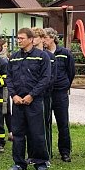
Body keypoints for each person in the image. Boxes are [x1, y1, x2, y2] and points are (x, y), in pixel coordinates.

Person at [6, 28, 51, 170]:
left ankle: (40, 162)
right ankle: (19, 163)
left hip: (34, 102)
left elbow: (45, 79)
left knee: (37, 133)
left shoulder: (42, 57)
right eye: (18, 38)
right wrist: (14, 95)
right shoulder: (14, 57)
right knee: (18, 134)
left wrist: (32, 95)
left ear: (31, 39)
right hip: (18, 102)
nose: (19, 41)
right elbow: (8, 78)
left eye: (22, 38)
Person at [44, 28, 75, 162]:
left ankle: (65, 151)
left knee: (63, 123)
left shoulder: (65, 53)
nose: (43, 40)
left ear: (52, 38)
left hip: (60, 93)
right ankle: (47, 150)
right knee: (45, 122)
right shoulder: (42, 54)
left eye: (45, 37)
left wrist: (65, 85)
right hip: (46, 92)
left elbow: (71, 71)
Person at [31, 27, 57, 159]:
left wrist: (39, 91)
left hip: (44, 95)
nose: (33, 40)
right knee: (31, 126)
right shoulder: (28, 55)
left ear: (42, 39)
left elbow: (51, 78)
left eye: (35, 37)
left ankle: (47, 153)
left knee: (45, 124)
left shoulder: (50, 57)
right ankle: (32, 154)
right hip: (30, 96)